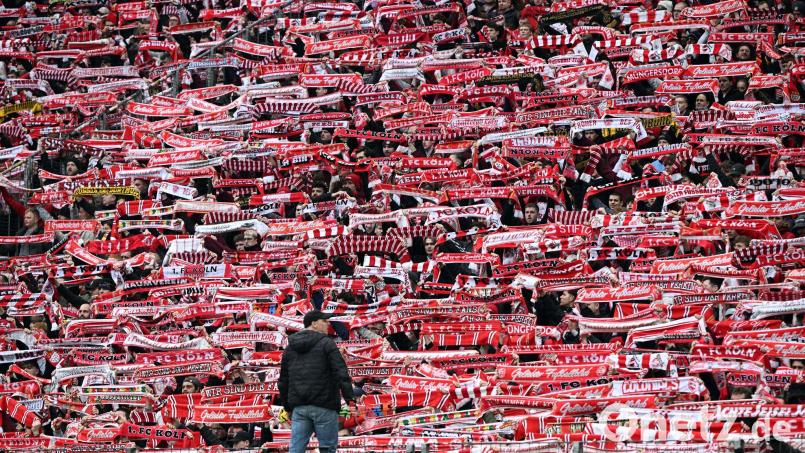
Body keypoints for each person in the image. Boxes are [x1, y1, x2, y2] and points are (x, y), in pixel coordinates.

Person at [279, 310, 356, 453]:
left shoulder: (290, 348)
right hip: (325, 405)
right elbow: (341, 373)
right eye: (325, 321)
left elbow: (283, 381)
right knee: (327, 448)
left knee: (296, 449)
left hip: (299, 407)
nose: (328, 324)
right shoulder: (327, 343)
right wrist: (350, 400)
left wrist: (288, 407)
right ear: (314, 323)